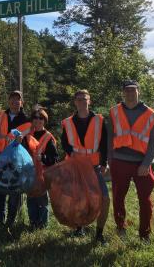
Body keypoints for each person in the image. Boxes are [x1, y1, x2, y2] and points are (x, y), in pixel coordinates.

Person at [108, 80, 154, 243]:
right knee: (118, 197)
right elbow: (110, 138)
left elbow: (153, 142)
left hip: (141, 164)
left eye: (133, 90)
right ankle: (120, 227)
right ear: (123, 92)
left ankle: (145, 233)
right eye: (127, 90)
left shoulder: (150, 114)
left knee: (145, 199)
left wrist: (146, 163)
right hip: (119, 162)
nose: (130, 93)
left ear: (139, 92)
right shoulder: (114, 111)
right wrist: (110, 160)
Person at [61, 89, 110, 245]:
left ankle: (99, 234)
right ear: (75, 102)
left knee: (105, 199)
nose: (82, 101)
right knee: (78, 199)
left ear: (90, 101)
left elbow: (104, 143)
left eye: (85, 98)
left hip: (94, 166)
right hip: (75, 167)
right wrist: (71, 153)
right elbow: (64, 142)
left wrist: (104, 163)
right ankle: (79, 228)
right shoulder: (67, 122)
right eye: (79, 99)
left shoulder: (99, 120)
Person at [0, 90, 31, 227]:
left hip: (16, 159)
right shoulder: (1, 115)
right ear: (8, 101)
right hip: (0, 157)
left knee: (14, 192)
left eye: (18, 99)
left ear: (22, 102)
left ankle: (10, 221)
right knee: (0, 190)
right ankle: (0, 219)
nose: (15, 102)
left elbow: (28, 142)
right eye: (12, 99)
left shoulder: (26, 119)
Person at [26, 107, 58, 230]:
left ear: (44, 120)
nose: (38, 120)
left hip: (44, 175)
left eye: (41, 118)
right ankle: (33, 223)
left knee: (42, 201)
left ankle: (43, 226)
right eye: (35, 118)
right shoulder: (28, 136)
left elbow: (54, 159)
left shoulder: (49, 137)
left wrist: (43, 157)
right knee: (31, 199)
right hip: (30, 174)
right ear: (32, 120)